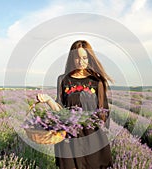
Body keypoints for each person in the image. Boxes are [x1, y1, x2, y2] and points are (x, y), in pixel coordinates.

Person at [37, 40, 113, 169]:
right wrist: (49, 100)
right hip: (68, 139)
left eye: (84, 57)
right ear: (72, 58)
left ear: (90, 58)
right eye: (77, 57)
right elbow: (60, 109)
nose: (80, 61)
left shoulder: (97, 81)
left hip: (91, 138)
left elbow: (103, 111)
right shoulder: (63, 79)